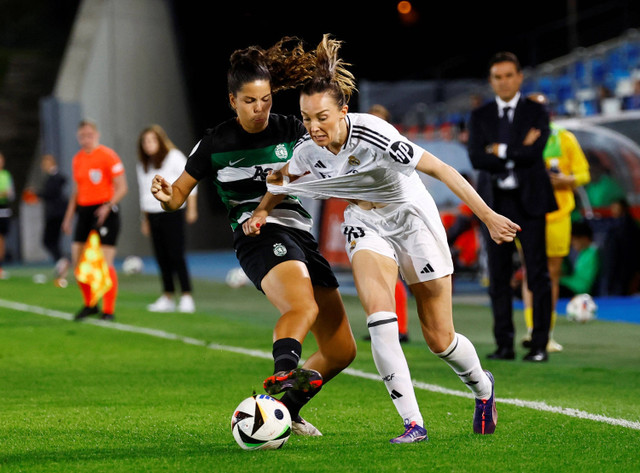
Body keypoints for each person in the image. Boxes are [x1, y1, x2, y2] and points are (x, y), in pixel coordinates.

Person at [245, 34, 520, 442]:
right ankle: (413, 424)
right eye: (306, 118)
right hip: (365, 225)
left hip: (411, 218)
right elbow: (283, 179)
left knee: (439, 339)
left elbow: (442, 169)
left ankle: (482, 388)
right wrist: (264, 209)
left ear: (343, 110)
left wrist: (488, 216)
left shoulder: (374, 133)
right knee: (379, 320)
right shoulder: (307, 150)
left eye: (322, 117)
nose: (313, 126)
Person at [150, 38, 356, 437]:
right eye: (249, 101)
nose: (259, 109)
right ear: (232, 100)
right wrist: (165, 197)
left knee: (341, 350)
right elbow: (176, 196)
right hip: (256, 235)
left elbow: (325, 155)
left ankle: (281, 411)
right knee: (303, 307)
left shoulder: (292, 130)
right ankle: (283, 375)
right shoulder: (214, 143)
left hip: (300, 236)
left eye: (265, 100)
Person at [467, 52, 557, 362]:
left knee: (538, 275)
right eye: (497, 76)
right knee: (499, 275)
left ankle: (540, 344)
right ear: (491, 81)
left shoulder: (537, 110)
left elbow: (536, 154)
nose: (504, 81)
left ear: (519, 77)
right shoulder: (480, 116)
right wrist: (518, 148)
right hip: (495, 205)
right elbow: (477, 158)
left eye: (509, 75)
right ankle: (504, 344)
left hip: (531, 202)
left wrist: (498, 149)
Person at [518, 93, 591, 353]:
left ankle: (545, 333)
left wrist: (566, 182)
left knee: (552, 273)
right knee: (531, 270)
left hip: (558, 214)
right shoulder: (517, 137)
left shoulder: (564, 138)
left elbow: (583, 174)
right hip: (526, 212)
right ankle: (532, 329)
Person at [62, 119, 128, 321]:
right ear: (78, 137)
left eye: (89, 135)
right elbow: (76, 191)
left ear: (97, 135)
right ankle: (90, 304)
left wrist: (107, 206)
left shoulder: (108, 156)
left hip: (105, 211)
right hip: (84, 211)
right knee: (79, 263)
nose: (86, 139)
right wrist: (68, 217)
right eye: (82, 136)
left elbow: (122, 187)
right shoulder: (77, 159)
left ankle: (109, 310)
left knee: (105, 263)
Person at [137, 124, 198, 313]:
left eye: (152, 140)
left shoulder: (174, 157)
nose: (148, 145)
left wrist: (191, 209)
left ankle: (187, 296)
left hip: (171, 211)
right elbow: (143, 192)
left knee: (176, 254)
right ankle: (168, 295)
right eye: (145, 142)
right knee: (161, 256)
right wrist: (145, 219)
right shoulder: (143, 163)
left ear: (160, 140)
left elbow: (191, 182)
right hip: (152, 214)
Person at [367, 103, 409, 342]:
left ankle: (400, 328)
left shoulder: (395, 148)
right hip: (372, 218)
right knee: (377, 274)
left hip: (393, 217)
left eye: (378, 121)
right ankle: (385, 326)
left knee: (392, 274)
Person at [36, 154, 70, 286]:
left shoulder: (55, 176)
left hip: (56, 214)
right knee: (51, 241)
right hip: (54, 213)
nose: (43, 166)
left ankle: (61, 261)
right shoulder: (51, 177)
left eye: (45, 163)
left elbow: (55, 188)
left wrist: (37, 194)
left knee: (48, 240)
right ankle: (61, 262)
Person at [600, 198, 640, 295]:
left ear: (623, 209)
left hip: (623, 266)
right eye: (612, 208)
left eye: (615, 208)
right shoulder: (614, 225)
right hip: (617, 266)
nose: (613, 210)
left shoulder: (628, 226)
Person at [558, 220, 600, 298]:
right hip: (572, 285)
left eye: (574, 240)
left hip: (578, 290)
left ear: (584, 238)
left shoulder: (593, 253)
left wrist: (559, 280)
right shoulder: (583, 252)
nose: (572, 244)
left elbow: (583, 283)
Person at [0, 151, 15, 280]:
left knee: (2, 239)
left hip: (3, 210)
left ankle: (1, 266)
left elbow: (10, 193)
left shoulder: (6, 175)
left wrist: (4, 194)